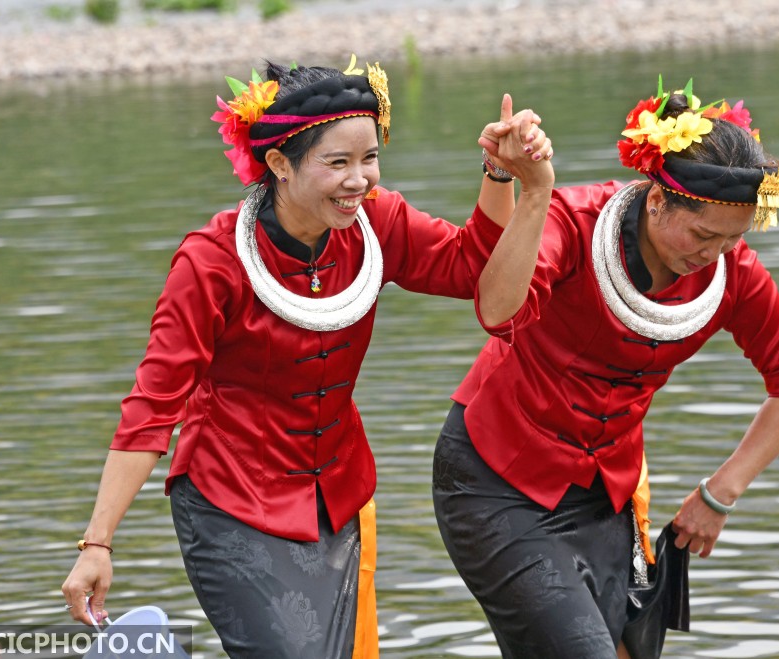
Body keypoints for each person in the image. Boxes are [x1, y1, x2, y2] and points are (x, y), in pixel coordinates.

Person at [61, 56, 555, 659]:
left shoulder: (378, 223)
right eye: (338, 163)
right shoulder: (211, 264)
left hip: (335, 497)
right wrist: (98, 544)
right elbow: (152, 408)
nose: (360, 180)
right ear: (279, 164)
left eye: (369, 158)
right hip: (230, 501)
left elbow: (476, 269)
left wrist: (499, 175)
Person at [433, 77, 779, 658]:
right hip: (497, 482)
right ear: (659, 199)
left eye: (732, 239)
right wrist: (534, 193)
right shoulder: (575, 222)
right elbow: (495, 311)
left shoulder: (729, 271)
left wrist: (720, 494)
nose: (712, 254)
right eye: (702, 234)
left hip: (603, 496)